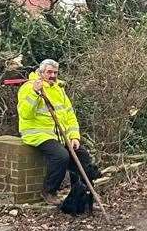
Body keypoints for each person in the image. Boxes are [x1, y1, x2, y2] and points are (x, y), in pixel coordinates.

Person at [16, 59, 101, 215]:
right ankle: (49, 191)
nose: (52, 75)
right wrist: (35, 94)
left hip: (60, 135)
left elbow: (69, 115)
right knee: (61, 156)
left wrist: (74, 137)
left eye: (55, 72)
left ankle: (80, 195)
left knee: (83, 157)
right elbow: (25, 114)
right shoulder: (28, 88)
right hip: (37, 133)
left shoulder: (59, 89)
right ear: (41, 72)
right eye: (49, 72)